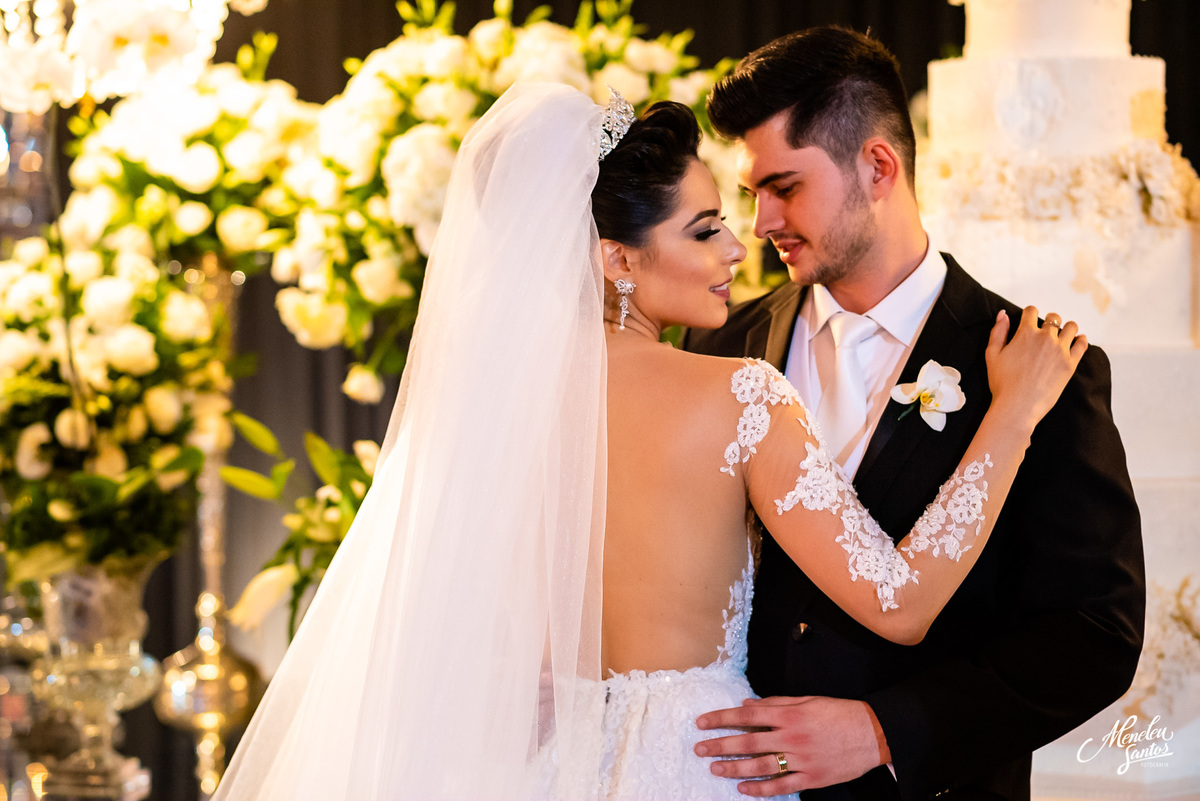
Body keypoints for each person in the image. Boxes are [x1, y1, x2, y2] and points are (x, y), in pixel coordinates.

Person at [212, 82, 1084, 801]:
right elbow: (899, 602)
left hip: (555, 769)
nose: (736, 247)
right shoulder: (740, 390)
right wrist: (1009, 418)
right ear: (616, 260)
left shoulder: (497, 413)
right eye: (703, 229)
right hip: (707, 764)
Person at [686, 26, 1146, 800]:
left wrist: (885, 730)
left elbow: (1093, 632)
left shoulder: (1040, 367)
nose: (759, 223)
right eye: (751, 193)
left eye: (785, 187)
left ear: (877, 166)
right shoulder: (722, 349)